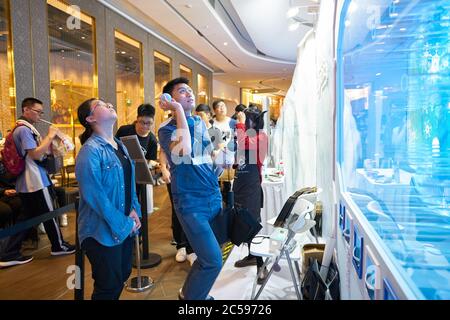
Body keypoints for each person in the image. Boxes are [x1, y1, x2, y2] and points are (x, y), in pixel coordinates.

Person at [158, 77, 223, 300]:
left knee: (207, 258)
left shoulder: (198, 121)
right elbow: (184, 149)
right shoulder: (165, 130)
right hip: (191, 201)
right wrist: (177, 110)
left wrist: (217, 166)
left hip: (212, 195)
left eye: (190, 91)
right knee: (214, 261)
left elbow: (205, 154)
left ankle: (191, 294)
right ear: (168, 99)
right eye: (182, 92)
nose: (189, 94)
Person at [75, 98, 142, 300]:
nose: (110, 104)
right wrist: (124, 223)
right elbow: (95, 197)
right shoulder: (90, 151)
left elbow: (129, 185)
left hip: (123, 225)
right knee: (108, 286)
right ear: (90, 118)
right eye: (101, 105)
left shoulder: (120, 145)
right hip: (100, 231)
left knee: (122, 275)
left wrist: (134, 211)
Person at [0, 98, 75, 268]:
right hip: (35, 180)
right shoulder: (24, 130)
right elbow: (35, 154)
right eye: (37, 111)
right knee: (49, 212)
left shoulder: (21, 129)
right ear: (26, 110)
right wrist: (50, 136)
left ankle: (9, 252)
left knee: (28, 216)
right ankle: (58, 245)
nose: (40, 115)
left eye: (41, 112)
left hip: (28, 181)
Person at [232, 107, 269, 284]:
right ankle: (252, 255)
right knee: (242, 222)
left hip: (252, 188)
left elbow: (243, 143)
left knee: (253, 223)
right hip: (240, 185)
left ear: (252, 122)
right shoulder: (247, 136)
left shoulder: (261, 137)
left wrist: (239, 123)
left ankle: (261, 265)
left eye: (245, 120)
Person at [160, 149, 196, 266]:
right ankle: (181, 245)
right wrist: (164, 169)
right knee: (177, 210)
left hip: (191, 174)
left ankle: (192, 248)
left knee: (191, 210)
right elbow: (163, 151)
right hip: (174, 175)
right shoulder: (166, 131)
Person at [212, 100, 237, 206]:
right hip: (215, 156)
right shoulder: (211, 122)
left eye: (223, 106)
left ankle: (228, 205)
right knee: (215, 181)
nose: (222, 108)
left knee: (228, 183)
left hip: (229, 156)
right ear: (214, 110)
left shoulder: (232, 122)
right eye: (219, 106)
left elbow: (236, 139)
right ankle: (216, 204)